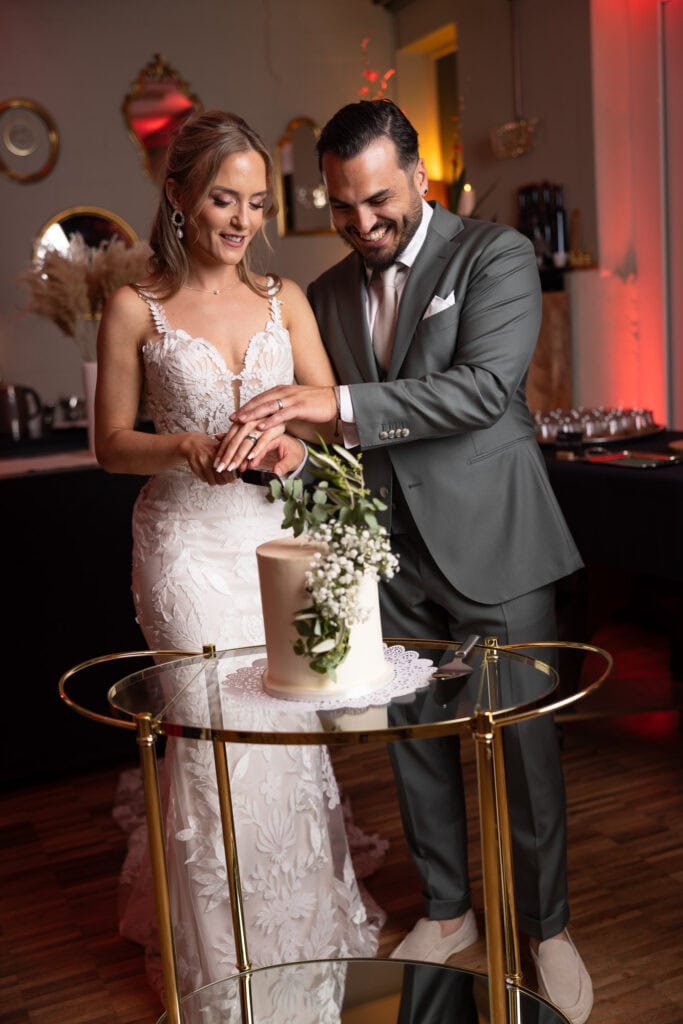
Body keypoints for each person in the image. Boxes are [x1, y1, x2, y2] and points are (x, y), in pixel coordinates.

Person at [232, 100, 592, 1024]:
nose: (360, 224)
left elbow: (480, 390)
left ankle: (546, 928)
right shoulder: (325, 293)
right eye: (343, 207)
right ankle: (447, 909)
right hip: (390, 559)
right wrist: (293, 450)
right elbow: (340, 442)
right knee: (414, 748)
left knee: (522, 748)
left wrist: (332, 404)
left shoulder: (494, 256)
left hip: (498, 545)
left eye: (378, 201)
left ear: (419, 175)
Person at [95, 109, 383, 998]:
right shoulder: (132, 304)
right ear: (178, 195)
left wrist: (295, 448)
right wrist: (181, 446)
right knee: (215, 746)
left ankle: (302, 956)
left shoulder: (283, 300)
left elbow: (327, 419)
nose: (242, 220)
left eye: (257, 203)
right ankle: (226, 979)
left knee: (286, 736)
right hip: (184, 549)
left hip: (272, 542)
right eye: (225, 198)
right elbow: (109, 443)